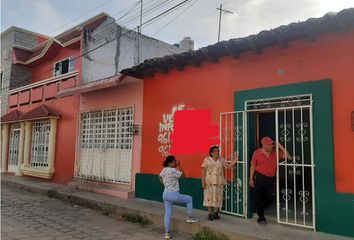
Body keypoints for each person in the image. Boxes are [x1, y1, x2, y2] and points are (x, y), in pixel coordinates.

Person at [249, 136, 291, 226]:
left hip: (270, 178)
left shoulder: (275, 152)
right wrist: (251, 178)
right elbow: (252, 165)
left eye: (272, 144)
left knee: (270, 198)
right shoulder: (257, 153)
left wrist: (279, 146)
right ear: (263, 145)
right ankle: (261, 218)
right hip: (259, 177)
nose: (271, 146)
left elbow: (288, 156)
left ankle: (259, 208)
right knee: (259, 197)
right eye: (269, 144)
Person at [159, 155, 198, 239]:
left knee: (167, 213)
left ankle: (167, 233)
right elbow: (184, 176)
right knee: (189, 199)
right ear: (170, 163)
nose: (175, 162)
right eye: (174, 161)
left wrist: (165, 184)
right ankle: (190, 217)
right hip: (173, 194)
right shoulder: (174, 170)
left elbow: (159, 176)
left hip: (165, 194)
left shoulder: (164, 169)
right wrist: (180, 166)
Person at [202, 146, 238, 221]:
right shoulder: (207, 160)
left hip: (219, 182)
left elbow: (227, 166)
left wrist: (235, 160)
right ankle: (209, 213)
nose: (217, 153)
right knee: (208, 197)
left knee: (218, 197)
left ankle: (215, 213)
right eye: (215, 151)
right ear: (211, 153)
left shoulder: (221, 159)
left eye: (218, 151)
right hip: (209, 182)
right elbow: (203, 172)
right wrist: (203, 182)